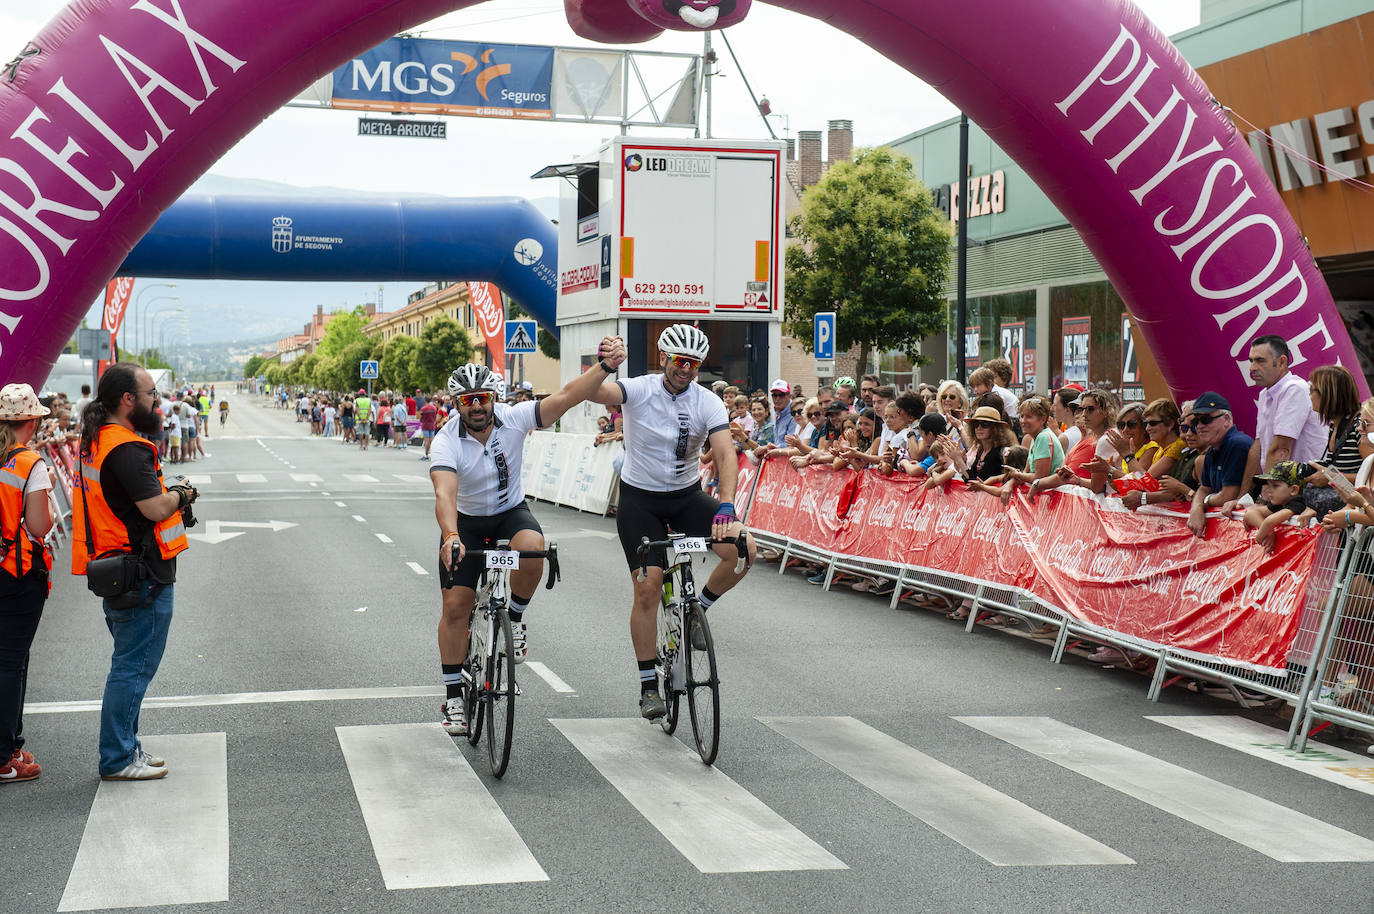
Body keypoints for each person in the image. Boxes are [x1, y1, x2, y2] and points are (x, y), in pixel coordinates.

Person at [431, 340, 626, 735]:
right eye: (467, 400)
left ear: (493, 398)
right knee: (455, 607)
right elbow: (445, 494)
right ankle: (453, 697)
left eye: (482, 398)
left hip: (508, 513)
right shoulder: (446, 440)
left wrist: (604, 366)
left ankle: (515, 619)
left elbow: (568, 396)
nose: (476, 406)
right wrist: (451, 535)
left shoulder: (515, 417)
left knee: (534, 549)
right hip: (466, 522)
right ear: (456, 404)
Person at [585, 324, 756, 721]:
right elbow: (594, 393)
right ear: (664, 357)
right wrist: (604, 365)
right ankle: (648, 686)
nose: (687, 370)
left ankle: (699, 610)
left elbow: (726, 454)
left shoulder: (707, 401)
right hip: (640, 500)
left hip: (685, 497)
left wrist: (727, 506)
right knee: (648, 589)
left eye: (694, 364)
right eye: (680, 361)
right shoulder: (639, 388)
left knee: (745, 549)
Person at [71, 363, 197, 780]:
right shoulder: (127, 448)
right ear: (128, 400)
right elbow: (153, 508)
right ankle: (119, 757)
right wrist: (181, 493)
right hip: (142, 574)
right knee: (132, 668)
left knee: (129, 663)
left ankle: (128, 748)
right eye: (150, 394)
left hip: (118, 569)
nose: (156, 401)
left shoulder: (98, 441)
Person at [0, 385, 55, 784]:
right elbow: (39, 526)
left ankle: (10, 745)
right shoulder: (29, 463)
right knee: (11, 661)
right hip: (15, 573)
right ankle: (5, 755)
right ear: (32, 421)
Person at [1233, 335, 1328, 506]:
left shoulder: (1294, 388)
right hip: (1286, 491)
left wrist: (1266, 500)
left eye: (1260, 361)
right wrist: (1243, 497)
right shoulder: (1264, 394)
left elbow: (1280, 450)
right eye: (1251, 361)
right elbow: (1258, 447)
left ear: (1282, 362)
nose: (1253, 368)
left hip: (1306, 493)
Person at [1187, 392, 1254, 538]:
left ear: (1227, 419)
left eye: (1205, 419)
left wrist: (1202, 503)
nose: (1199, 426)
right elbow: (1204, 488)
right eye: (1195, 422)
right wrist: (1196, 507)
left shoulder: (1236, 444)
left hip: (1246, 535)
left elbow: (1227, 496)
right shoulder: (1213, 449)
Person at [1243, 460, 1320, 552]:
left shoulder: (1299, 503)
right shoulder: (1279, 503)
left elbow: (1270, 521)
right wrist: (1269, 532)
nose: (1269, 490)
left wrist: (1261, 534)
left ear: (1293, 490)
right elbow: (1250, 514)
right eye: (1268, 485)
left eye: (1275, 486)